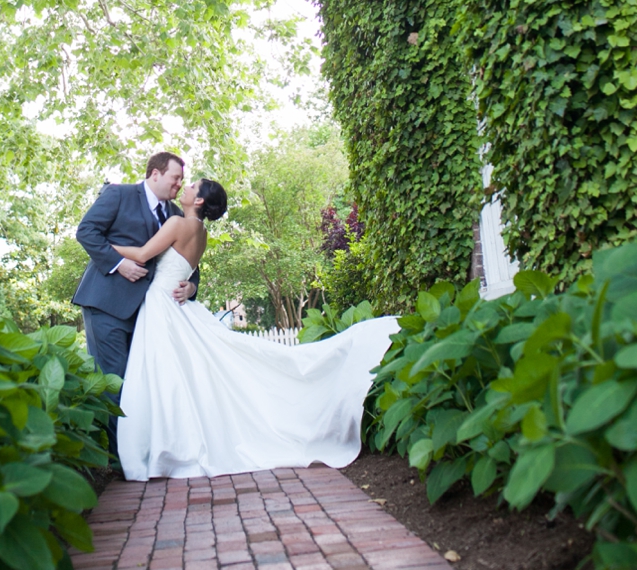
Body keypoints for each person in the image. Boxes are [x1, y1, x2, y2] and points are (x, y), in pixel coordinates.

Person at [109, 177, 400, 481]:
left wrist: (107, 245)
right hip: (176, 304)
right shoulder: (202, 233)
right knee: (179, 376)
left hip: (162, 305)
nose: (186, 186)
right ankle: (170, 449)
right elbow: (186, 271)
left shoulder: (178, 225)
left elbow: (142, 255)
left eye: (192, 185)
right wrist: (192, 285)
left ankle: (166, 450)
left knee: (165, 377)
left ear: (198, 201)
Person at [73, 151, 196, 456]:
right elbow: (86, 231)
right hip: (106, 304)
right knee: (116, 380)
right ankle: (118, 460)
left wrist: (192, 287)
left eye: (181, 180)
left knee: (141, 382)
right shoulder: (118, 194)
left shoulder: (176, 217)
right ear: (155, 173)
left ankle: (139, 453)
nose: (179, 184)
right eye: (175, 177)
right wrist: (118, 264)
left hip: (148, 313)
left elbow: (186, 262)